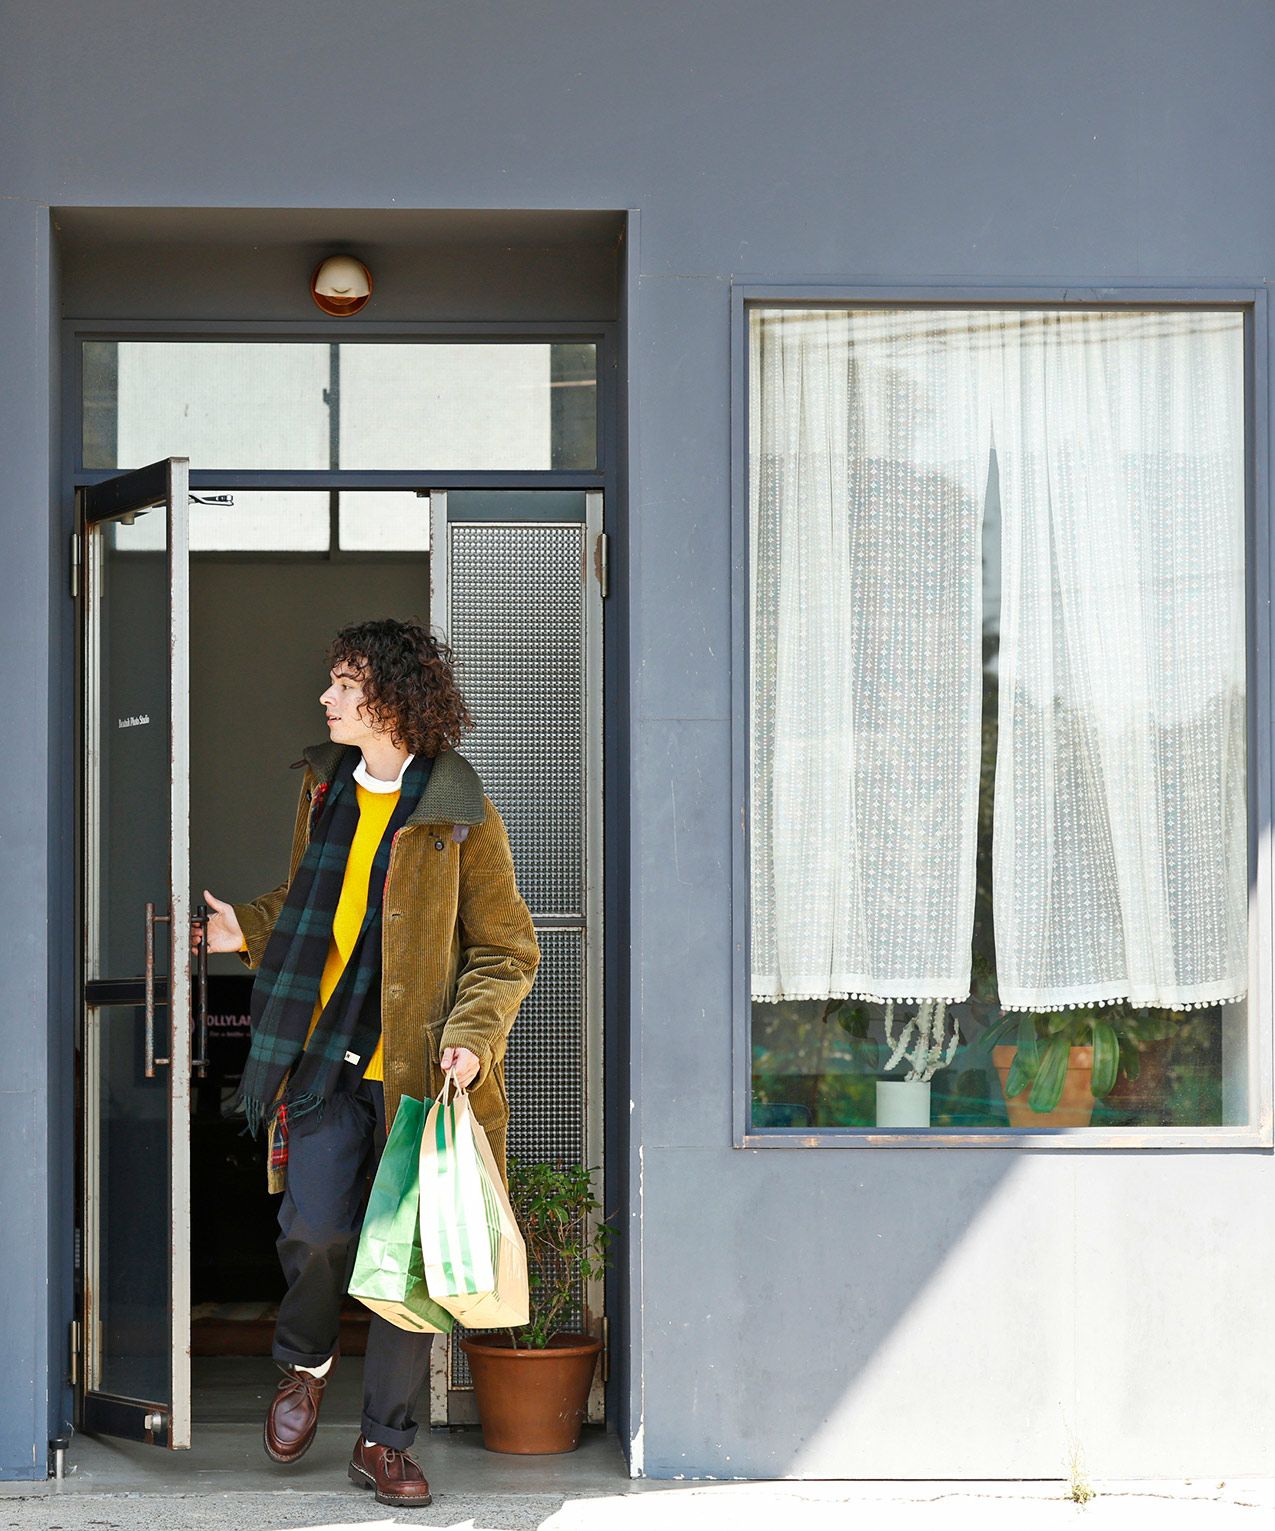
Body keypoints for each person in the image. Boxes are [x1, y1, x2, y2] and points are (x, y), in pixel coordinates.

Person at [193, 616, 539, 1508]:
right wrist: (244, 930)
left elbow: (506, 949)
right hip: (324, 1057)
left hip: (418, 1074)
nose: (327, 697)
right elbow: (312, 901)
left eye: (345, 683)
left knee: (403, 1261)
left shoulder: (458, 811)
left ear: (391, 698)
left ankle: (385, 1441)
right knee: (314, 1227)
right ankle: (304, 1364)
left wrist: (473, 1035)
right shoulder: (324, 790)